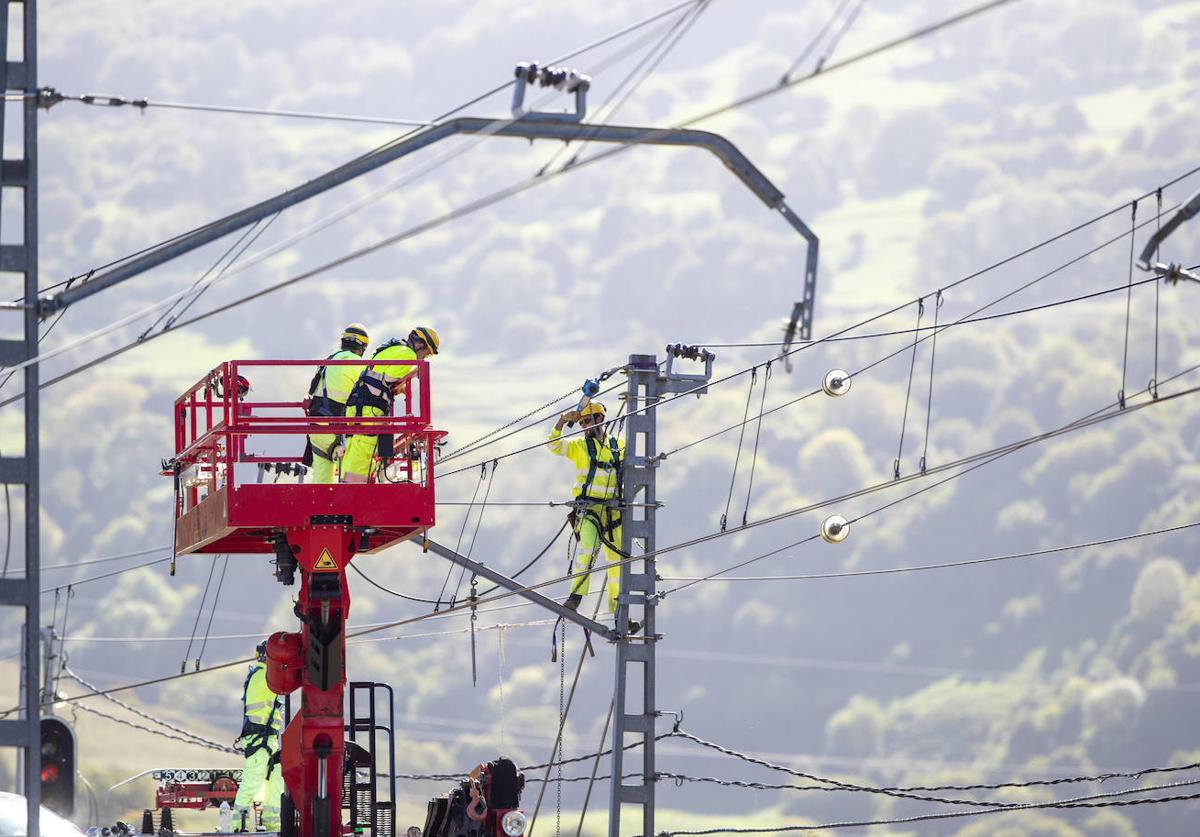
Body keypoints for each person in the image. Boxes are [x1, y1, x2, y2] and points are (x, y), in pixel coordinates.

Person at [548, 401, 630, 623]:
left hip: (613, 512)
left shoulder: (619, 445)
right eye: (582, 422)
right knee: (589, 548)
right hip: (589, 510)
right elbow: (554, 445)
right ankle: (575, 597)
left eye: (587, 421)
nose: (584, 426)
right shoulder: (579, 447)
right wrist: (564, 420)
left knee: (619, 561)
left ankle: (619, 610)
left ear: (599, 420)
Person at [341, 327, 440, 483]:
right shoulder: (408, 354)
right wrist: (413, 373)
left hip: (357, 405)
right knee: (363, 453)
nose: (423, 357)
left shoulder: (394, 348)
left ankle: (345, 488)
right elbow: (389, 379)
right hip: (370, 409)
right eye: (426, 353)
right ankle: (353, 493)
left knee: (354, 451)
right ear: (421, 345)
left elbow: (381, 378)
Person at [304, 324, 370, 484]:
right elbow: (371, 392)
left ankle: (319, 506)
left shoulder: (327, 362)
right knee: (356, 470)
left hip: (317, 428)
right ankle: (350, 506)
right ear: (362, 347)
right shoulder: (358, 364)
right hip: (338, 428)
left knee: (321, 480)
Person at [231, 642, 284, 833]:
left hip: (268, 739)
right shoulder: (263, 675)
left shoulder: (262, 675)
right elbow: (286, 685)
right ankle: (237, 828)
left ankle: (273, 826)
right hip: (259, 739)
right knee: (251, 784)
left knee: (276, 783)